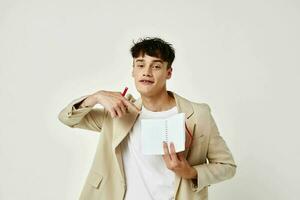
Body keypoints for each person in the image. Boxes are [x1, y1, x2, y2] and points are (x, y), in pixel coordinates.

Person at [58, 37, 237, 200]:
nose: (147, 72)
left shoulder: (198, 114)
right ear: (133, 71)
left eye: (156, 66)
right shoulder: (118, 112)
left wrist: (190, 172)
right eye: (140, 64)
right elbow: (67, 119)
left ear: (169, 72)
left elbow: (227, 167)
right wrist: (95, 96)